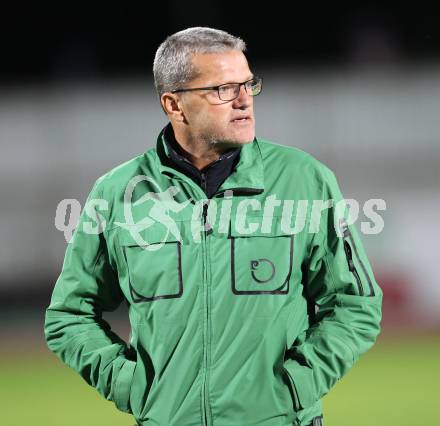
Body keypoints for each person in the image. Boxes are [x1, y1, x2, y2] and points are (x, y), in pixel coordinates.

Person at [44, 27, 383, 426]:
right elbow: (68, 315)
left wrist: (297, 384)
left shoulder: (306, 180)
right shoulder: (117, 194)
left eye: (248, 84)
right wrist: (129, 385)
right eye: (223, 88)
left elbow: (356, 303)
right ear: (174, 104)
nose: (244, 101)